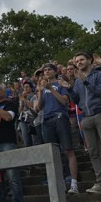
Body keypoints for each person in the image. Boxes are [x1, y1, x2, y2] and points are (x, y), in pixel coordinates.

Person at [62, 52, 101, 193]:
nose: (79, 63)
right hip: (86, 117)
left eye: (82, 60)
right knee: (93, 152)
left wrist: (85, 81)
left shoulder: (98, 74)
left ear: (89, 60)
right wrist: (70, 89)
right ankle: (100, 182)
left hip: (100, 113)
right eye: (77, 61)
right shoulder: (77, 80)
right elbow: (78, 100)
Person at [37, 63, 79, 194]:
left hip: (60, 117)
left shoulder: (60, 84)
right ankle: (58, 182)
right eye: (45, 70)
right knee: (52, 154)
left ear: (55, 72)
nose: (47, 72)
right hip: (46, 120)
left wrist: (51, 88)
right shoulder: (43, 88)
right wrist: (40, 91)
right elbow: (38, 108)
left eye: (49, 69)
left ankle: (74, 183)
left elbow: (64, 101)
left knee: (68, 150)